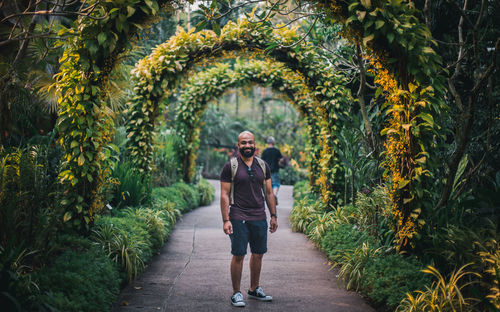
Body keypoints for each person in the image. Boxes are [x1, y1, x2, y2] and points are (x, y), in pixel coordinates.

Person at [220, 131, 278, 307]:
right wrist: (226, 220)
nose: (247, 145)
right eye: (243, 143)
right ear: (238, 145)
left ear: (255, 145)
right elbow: (224, 194)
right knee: (239, 254)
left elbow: (268, 193)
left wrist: (273, 216)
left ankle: (254, 289)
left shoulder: (263, 165)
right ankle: (236, 293)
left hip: (259, 216)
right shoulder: (231, 166)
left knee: (258, 254)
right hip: (238, 216)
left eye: (250, 142)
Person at [261, 136, 283, 205]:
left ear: (268, 143)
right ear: (273, 143)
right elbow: (281, 159)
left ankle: (269, 197)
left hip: (266, 171)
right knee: (276, 183)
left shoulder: (265, 151)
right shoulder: (277, 151)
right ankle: (274, 195)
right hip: (275, 170)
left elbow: (262, 161)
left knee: (268, 184)